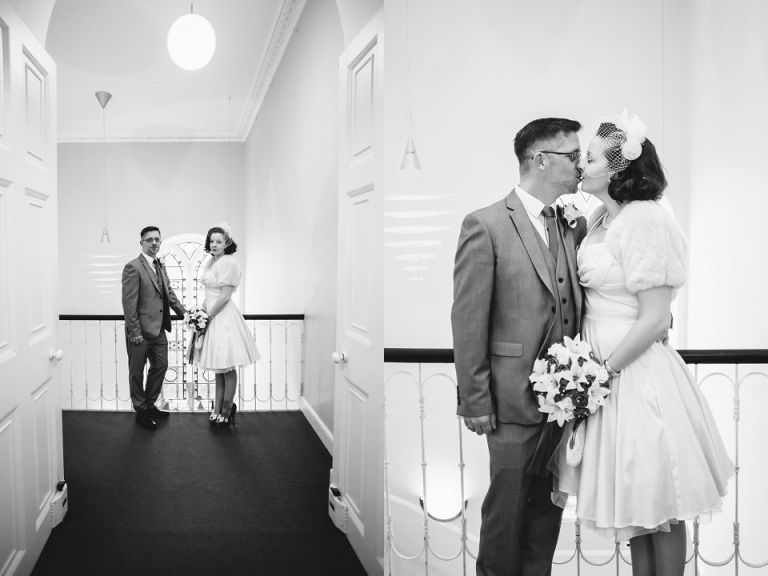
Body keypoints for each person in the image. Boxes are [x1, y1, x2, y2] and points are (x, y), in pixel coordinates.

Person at [549, 111, 734, 576]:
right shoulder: (598, 219)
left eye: (587, 158)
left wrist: (599, 374)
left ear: (615, 170)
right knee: (636, 506)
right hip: (606, 374)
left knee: (659, 499)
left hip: (634, 374)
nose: (579, 164)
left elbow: (654, 320)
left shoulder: (645, 219)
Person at [451, 117, 587, 576]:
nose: (580, 164)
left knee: (546, 518)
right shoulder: (485, 223)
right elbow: (468, 318)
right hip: (509, 402)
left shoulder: (570, 224)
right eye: (572, 155)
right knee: (504, 519)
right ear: (540, 160)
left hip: (563, 406)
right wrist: (474, 399)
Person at [192, 223, 259, 428]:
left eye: (218, 241)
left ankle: (227, 410)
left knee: (228, 367)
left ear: (226, 243)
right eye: (211, 241)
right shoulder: (211, 262)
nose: (214, 244)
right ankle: (216, 408)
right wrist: (199, 314)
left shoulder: (228, 262)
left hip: (222, 317)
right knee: (219, 368)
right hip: (211, 314)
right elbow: (209, 295)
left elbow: (225, 296)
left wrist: (208, 317)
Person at [122, 226, 187, 431]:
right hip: (139, 332)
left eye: (157, 239)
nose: (154, 243)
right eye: (149, 240)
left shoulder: (161, 266)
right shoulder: (132, 267)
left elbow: (169, 294)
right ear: (141, 242)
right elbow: (129, 303)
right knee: (136, 373)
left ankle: (150, 405)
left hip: (159, 331)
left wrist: (188, 315)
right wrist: (135, 332)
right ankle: (141, 411)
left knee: (161, 365)